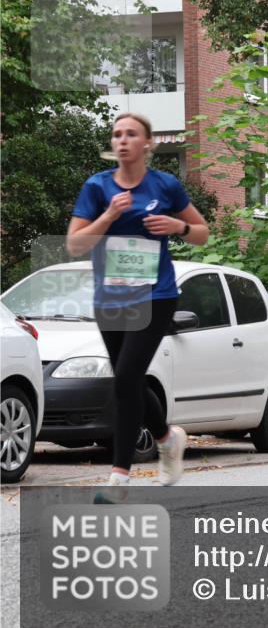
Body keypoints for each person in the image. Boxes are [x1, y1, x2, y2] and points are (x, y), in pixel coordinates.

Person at [66, 112, 208, 493]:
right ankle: (166, 438)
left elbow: (202, 233)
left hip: (157, 294)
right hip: (111, 297)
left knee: (127, 377)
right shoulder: (96, 188)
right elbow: (75, 243)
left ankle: (119, 477)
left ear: (148, 143)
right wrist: (109, 216)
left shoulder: (166, 185)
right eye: (117, 135)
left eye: (131, 134)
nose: (123, 140)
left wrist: (177, 227)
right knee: (128, 381)